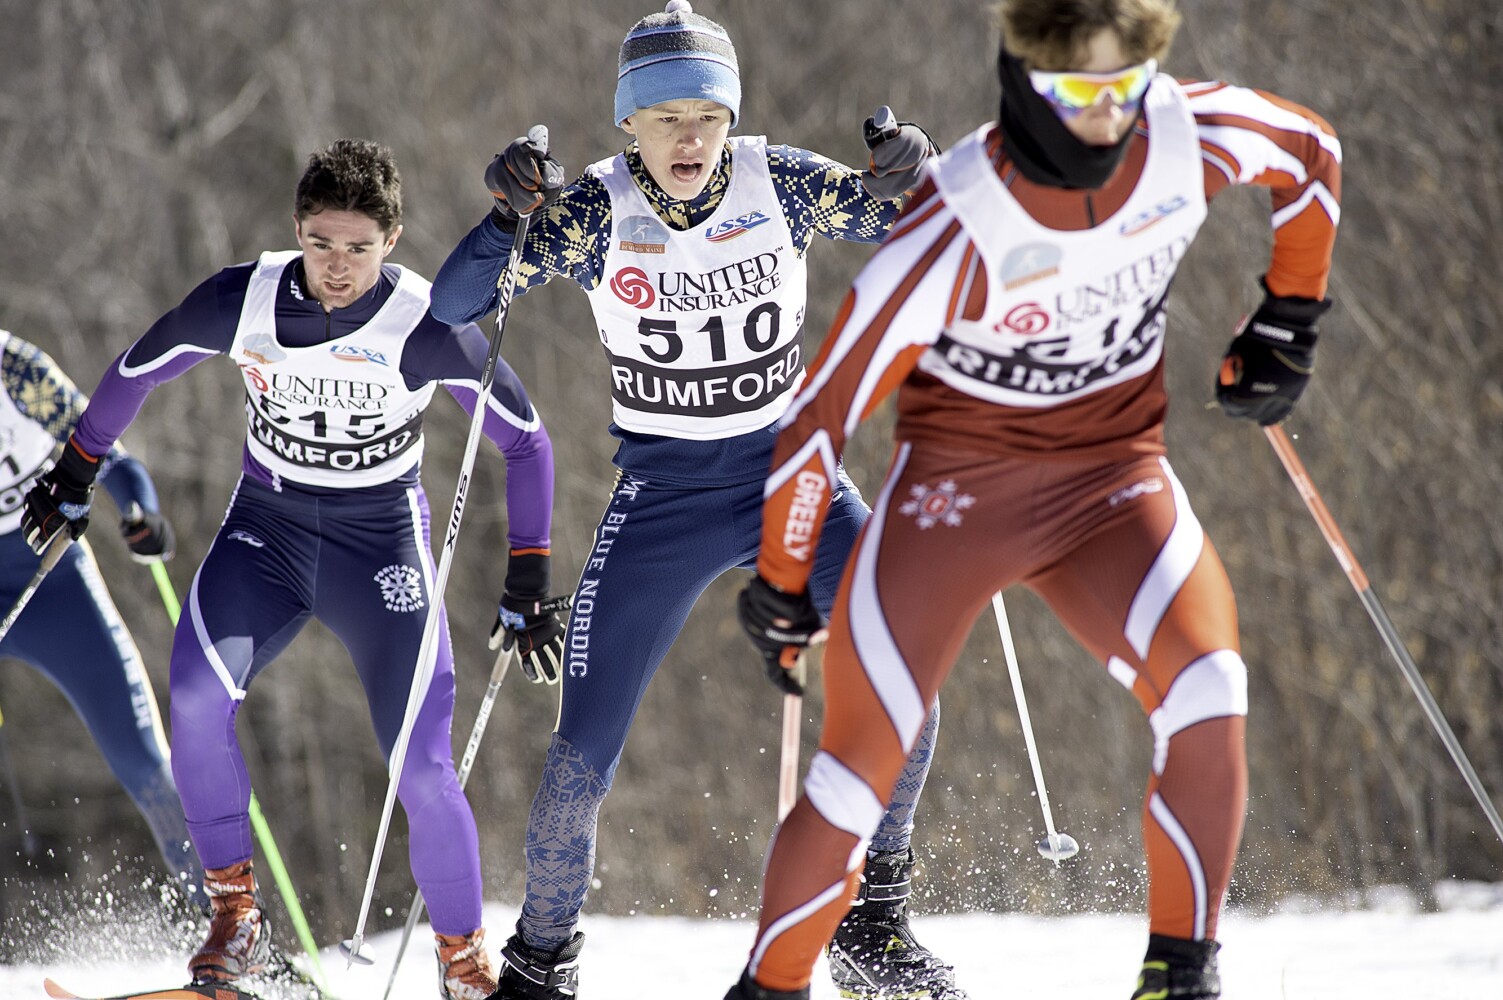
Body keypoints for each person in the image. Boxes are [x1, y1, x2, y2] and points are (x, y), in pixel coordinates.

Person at [727, 0, 1342, 996]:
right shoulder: (957, 217)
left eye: (1124, 87)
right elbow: (818, 414)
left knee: (1209, 689)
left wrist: (1291, 314)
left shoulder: (1189, 133)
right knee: (857, 772)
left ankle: (1178, 976)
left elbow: (1311, 154)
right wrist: (782, 582)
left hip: (1114, 486)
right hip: (954, 505)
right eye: (1073, 92)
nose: (1104, 117)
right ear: (1025, 80)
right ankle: (771, 984)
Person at [430, 4, 963, 997]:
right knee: (577, 761)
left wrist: (916, 173)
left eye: (706, 116)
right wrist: (506, 217)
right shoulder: (592, 210)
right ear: (627, 122)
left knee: (910, 675)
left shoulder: (782, 182)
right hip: (663, 501)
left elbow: (922, 222)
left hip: (792, 478)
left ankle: (873, 925)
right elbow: (456, 306)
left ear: (731, 119)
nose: (688, 137)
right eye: (664, 115)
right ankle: (541, 965)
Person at [21, 138, 566, 1000]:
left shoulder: (422, 325)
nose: (336, 267)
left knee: (421, 767)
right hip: (265, 533)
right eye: (320, 243)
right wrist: (77, 467)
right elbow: (136, 368)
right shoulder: (245, 300)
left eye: (357, 247)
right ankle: (235, 923)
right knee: (197, 696)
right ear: (296, 232)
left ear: (392, 240)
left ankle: (464, 966)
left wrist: (529, 575)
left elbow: (524, 441)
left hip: (379, 546)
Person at [0, 332, 200, 902]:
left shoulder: (15, 373)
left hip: (54, 584)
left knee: (142, 760)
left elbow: (106, 455)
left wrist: (141, 513)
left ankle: (230, 931)